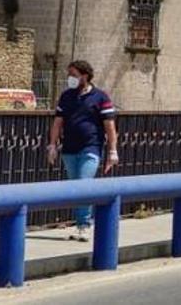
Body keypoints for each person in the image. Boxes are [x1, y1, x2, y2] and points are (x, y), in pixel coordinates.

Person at [46, 60, 118, 242]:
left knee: (84, 185)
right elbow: (57, 123)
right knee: (75, 188)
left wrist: (112, 151)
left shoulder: (100, 97)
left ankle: (85, 225)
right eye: (69, 75)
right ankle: (80, 224)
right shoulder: (66, 96)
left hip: (91, 147)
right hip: (69, 148)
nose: (70, 78)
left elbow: (109, 127)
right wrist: (52, 145)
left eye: (74, 75)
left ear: (84, 76)